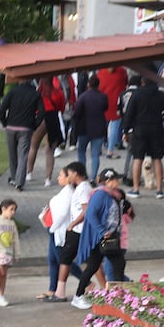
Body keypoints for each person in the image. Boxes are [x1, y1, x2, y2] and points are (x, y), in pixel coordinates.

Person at [72, 168, 127, 308]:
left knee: (109, 264)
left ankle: (118, 295)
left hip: (109, 237)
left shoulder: (113, 194)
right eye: (115, 179)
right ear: (108, 181)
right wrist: (102, 231)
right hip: (99, 238)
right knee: (110, 264)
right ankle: (80, 296)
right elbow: (90, 214)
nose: (118, 181)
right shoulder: (101, 195)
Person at [49, 161, 92, 304]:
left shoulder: (83, 189)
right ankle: (60, 291)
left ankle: (86, 287)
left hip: (78, 230)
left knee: (69, 259)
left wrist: (73, 224)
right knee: (66, 259)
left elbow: (86, 210)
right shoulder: (79, 188)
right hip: (76, 230)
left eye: (70, 173)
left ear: (76, 174)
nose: (69, 176)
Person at [120, 77, 164, 198]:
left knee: (137, 158)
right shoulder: (161, 95)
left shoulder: (137, 94)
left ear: (142, 82)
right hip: (156, 128)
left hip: (140, 128)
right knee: (157, 158)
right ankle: (160, 190)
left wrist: (125, 129)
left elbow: (129, 113)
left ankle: (136, 188)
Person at [0, 76, 43, 190]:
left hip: (11, 126)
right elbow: (42, 112)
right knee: (23, 155)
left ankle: (13, 178)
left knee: (12, 154)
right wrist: (34, 125)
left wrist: (4, 122)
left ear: (19, 81)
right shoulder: (35, 94)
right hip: (26, 128)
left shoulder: (12, 92)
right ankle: (19, 182)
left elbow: (2, 108)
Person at [26, 76, 66, 187]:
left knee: (34, 147)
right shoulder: (57, 92)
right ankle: (47, 179)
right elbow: (61, 107)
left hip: (40, 117)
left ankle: (29, 173)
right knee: (50, 151)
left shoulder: (37, 93)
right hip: (52, 118)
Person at [73, 74, 109, 183]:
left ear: (88, 84)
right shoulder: (103, 97)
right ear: (98, 85)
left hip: (84, 128)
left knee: (81, 152)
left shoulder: (83, 97)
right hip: (98, 129)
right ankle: (93, 178)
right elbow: (105, 108)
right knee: (95, 155)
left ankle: (82, 175)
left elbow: (77, 112)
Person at [100, 65, 128, 156]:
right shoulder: (122, 71)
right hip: (116, 102)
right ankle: (110, 150)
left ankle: (99, 148)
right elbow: (125, 84)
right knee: (114, 127)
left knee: (101, 126)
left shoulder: (101, 71)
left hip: (103, 100)